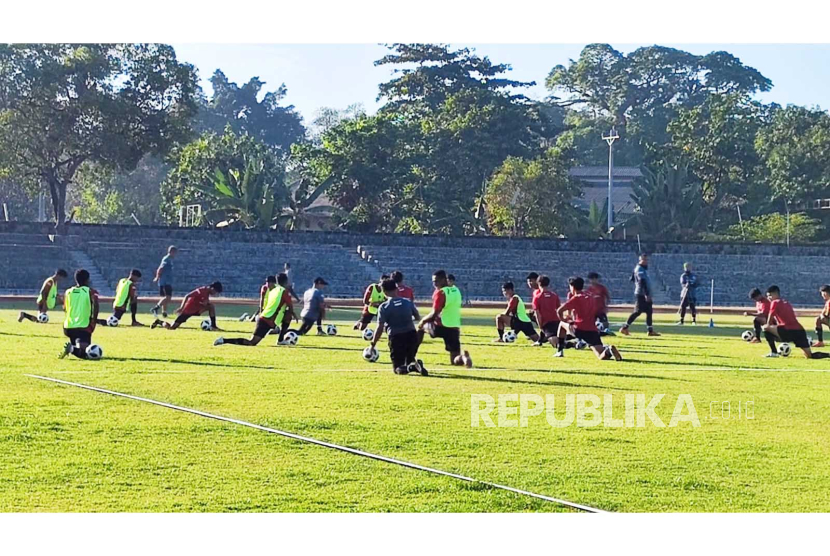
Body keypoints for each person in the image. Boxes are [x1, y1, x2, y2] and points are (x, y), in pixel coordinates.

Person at [556, 276, 622, 361]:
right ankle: (609, 350)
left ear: (572, 287)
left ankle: (559, 351)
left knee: (561, 324)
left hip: (579, 328)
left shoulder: (576, 298)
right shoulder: (590, 296)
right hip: (592, 329)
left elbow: (559, 311)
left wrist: (565, 320)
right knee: (600, 355)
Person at [214, 275, 292, 347]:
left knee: (288, 318)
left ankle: (281, 340)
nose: (267, 284)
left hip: (270, 319)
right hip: (266, 320)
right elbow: (288, 306)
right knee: (252, 342)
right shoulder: (280, 291)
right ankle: (223, 340)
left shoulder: (276, 291)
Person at [418, 269, 472, 368]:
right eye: (433, 281)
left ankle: (410, 355)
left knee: (421, 328)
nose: (434, 284)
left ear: (444, 280)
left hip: (440, 326)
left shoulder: (440, 293)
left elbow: (434, 313)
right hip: (454, 327)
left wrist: (423, 321)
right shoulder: (456, 290)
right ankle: (464, 358)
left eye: (436, 281)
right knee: (455, 359)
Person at [371, 279, 425, 375]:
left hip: (396, 337)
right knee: (409, 360)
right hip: (411, 335)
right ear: (396, 289)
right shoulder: (407, 302)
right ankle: (414, 365)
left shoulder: (384, 307)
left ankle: (411, 367)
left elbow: (380, 327)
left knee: (398, 369)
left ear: (384, 292)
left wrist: (373, 344)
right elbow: (417, 317)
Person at [762, 285, 829, 359]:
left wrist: (771, 330)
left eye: (769, 296)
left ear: (775, 294)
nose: (768, 298)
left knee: (765, 327)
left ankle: (774, 352)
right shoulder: (786, 302)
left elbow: (769, 319)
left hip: (788, 330)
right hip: (799, 331)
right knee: (809, 355)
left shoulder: (775, 302)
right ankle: (828, 355)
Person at [59, 269, 100, 359]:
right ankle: (72, 349)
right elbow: (96, 306)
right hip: (83, 326)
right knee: (86, 354)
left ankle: (73, 349)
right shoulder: (90, 291)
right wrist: (94, 321)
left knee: (80, 349)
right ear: (87, 280)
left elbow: (64, 308)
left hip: (68, 327)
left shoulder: (68, 292)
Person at [151, 281, 223, 331]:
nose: (215, 293)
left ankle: (213, 326)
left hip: (196, 309)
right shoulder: (201, 290)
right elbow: (187, 296)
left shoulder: (207, 293)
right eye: (216, 292)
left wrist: (205, 303)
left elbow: (202, 301)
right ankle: (159, 322)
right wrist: (181, 308)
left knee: (211, 306)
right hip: (188, 310)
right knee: (172, 327)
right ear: (212, 288)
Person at [620, 254, 660, 337]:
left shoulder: (640, 269)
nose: (646, 262)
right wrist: (646, 294)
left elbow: (632, 279)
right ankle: (624, 328)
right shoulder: (639, 269)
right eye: (644, 260)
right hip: (641, 294)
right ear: (640, 260)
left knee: (649, 312)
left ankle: (650, 330)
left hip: (644, 293)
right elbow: (642, 281)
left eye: (647, 260)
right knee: (637, 312)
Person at [532, 275, 565, 355]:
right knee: (557, 336)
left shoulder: (537, 297)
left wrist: (540, 325)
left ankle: (573, 344)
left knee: (554, 343)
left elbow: (537, 314)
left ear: (538, 283)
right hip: (556, 321)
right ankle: (539, 341)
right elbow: (559, 309)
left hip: (546, 323)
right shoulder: (554, 295)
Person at [151, 245, 177, 318]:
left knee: (164, 298)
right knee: (168, 297)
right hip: (165, 282)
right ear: (172, 252)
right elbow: (160, 268)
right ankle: (156, 308)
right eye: (175, 252)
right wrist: (157, 277)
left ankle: (164, 312)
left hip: (165, 281)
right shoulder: (167, 259)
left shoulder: (169, 259)